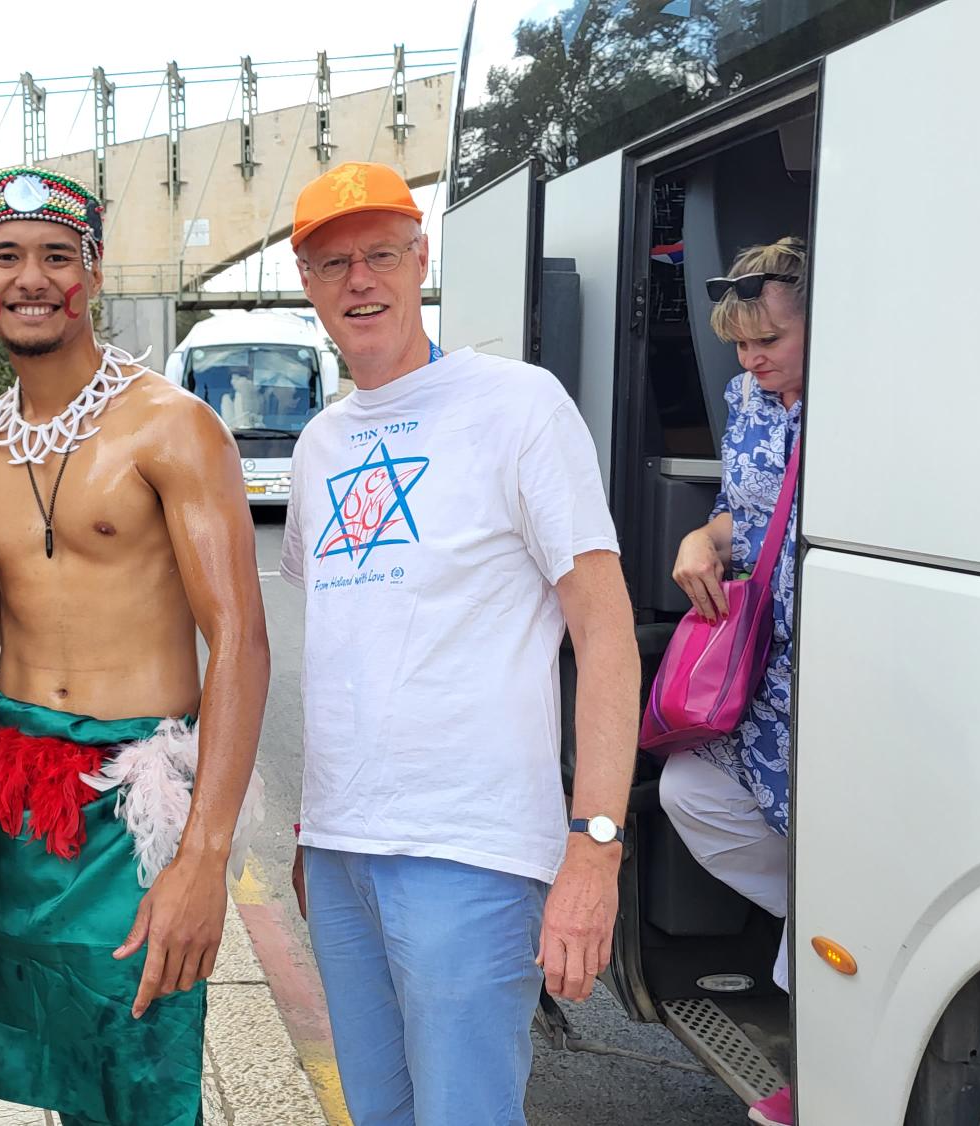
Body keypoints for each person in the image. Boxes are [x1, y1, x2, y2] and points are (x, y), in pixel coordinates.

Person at [278, 162, 639, 1125]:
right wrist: (315, 831)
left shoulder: (519, 408)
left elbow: (605, 633)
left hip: (470, 855)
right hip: (345, 854)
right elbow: (344, 649)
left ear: (419, 258)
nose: (361, 280)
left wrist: (594, 850)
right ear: (308, 285)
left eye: (381, 254)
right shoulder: (318, 448)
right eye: (333, 262)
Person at [0, 167, 269, 1126]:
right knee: (52, 1070)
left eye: (57, 256)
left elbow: (242, 642)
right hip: (16, 810)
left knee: (141, 1079)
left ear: (92, 271)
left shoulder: (173, 428)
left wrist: (202, 859)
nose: (31, 278)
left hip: (134, 811)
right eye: (7, 257)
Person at [659, 237, 808, 1126]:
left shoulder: (869, 398)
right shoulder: (746, 396)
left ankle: (814, 1072)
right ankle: (836, 919)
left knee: (840, 853)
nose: (751, 360)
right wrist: (699, 541)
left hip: (835, 661)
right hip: (765, 662)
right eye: (740, 343)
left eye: (770, 341)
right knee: (690, 790)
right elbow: (734, 510)